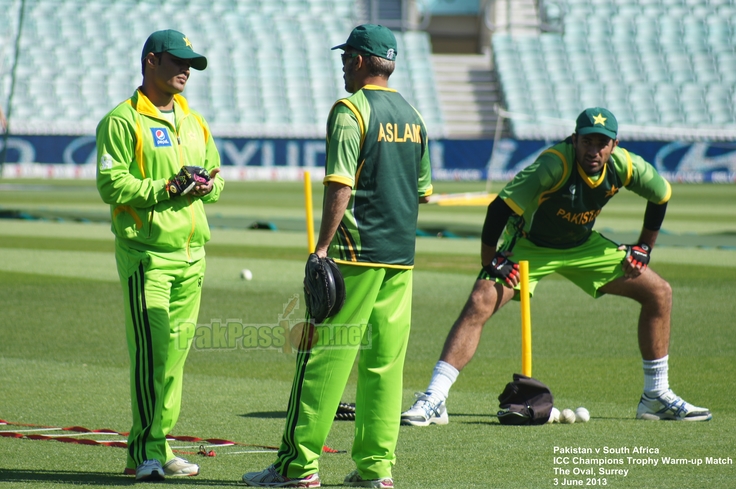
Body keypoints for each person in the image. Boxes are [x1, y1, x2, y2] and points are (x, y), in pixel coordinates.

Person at [401, 107, 712, 427]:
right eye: (587, 142)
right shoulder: (553, 164)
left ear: (614, 145)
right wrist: (490, 259)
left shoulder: (625, 165)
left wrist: (644, 247)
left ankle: (656, 396)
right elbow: (499, 207)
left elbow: (662, 194)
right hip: (529, 245)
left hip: (582, 246)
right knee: (480, 301)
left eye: (602, 143)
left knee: (659, 292)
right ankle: (434, 399)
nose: (594, 150)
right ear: (574, 140)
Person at [242, 24, 433, 488]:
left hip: (352, 256)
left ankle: (297, 469)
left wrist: (321, 249)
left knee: (321, 362)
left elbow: (341, 185)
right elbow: (423, 193)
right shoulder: (413, 116)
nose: (343, 65)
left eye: (347, 57)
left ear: (363, 61)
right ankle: (375, 472)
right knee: (384, 368)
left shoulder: (351, 110)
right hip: (400, 260)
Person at [96, 29, 224, 481]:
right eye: (177, 61)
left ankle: (153, 449)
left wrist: (207, 185)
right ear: (151, 61)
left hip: (192, 258)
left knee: (172, 360)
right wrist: (166, 187)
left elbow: (217, 176)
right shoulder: (122, 121)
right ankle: (148, 452)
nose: (186, 70)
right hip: (147, 257)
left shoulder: (193, 120)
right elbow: (111, 186)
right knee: (151, 356)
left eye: (191, 63)